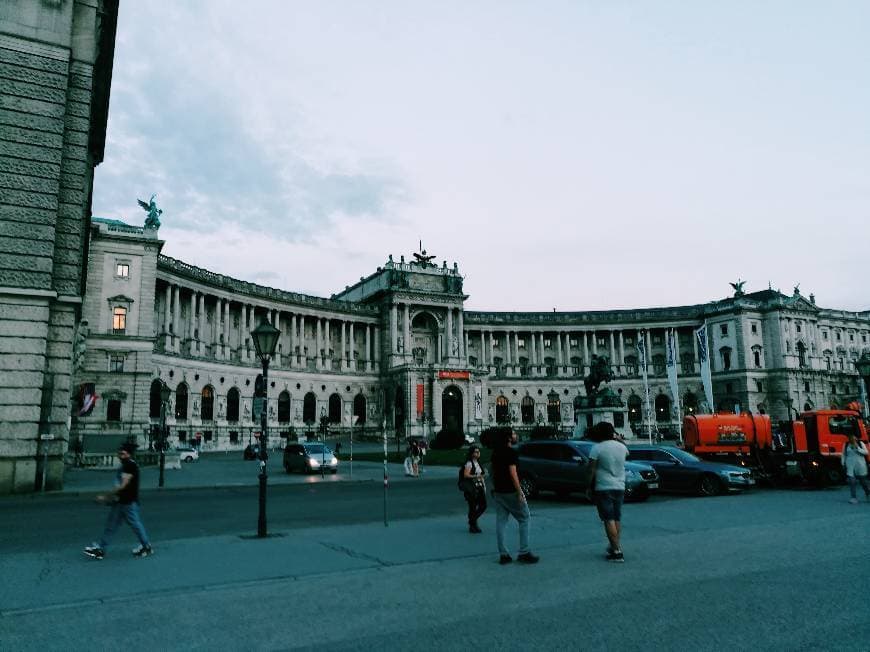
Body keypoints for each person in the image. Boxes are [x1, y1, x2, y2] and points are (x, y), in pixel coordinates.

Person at [84, 442, 153, 560]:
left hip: (128, 502)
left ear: (129, 454)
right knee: (111, 526)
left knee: (135, 524)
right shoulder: (125, 465)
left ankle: (146, 546)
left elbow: (122, 485)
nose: (119, 455)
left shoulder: (129, 466)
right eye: (119, 453)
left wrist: (105, 497)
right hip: (121, 501)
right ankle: (101, 549)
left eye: (122, 453)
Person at [490, 429, 539, 564]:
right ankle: (524, 551)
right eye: (513, 434)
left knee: (501, 522)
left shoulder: (496, 453)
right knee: (525, 518)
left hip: (499, 491)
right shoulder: (511, 453)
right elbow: (513, 473)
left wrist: (495, 487)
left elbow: (492, 472)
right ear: (508, 438)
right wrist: (520, 492)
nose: (515, 435)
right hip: (511, 490)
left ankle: (503, 554)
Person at [587, 421, 628, 562]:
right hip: (620, 486)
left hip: (603, 486)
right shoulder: (622, 448)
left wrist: (587, 485)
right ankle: (614, 545)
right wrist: (619, 440)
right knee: (616, 518)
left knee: (608, 519)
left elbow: (591, 470)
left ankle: (617, 551)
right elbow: (626, 453)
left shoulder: (597, 448)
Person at [462, 445, 487, 533]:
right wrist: (477, 476)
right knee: (472, 507)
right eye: (476, 452)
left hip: (479, 486)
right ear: (472, 453)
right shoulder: (469, 463)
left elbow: (482, 476)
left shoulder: (478, 463)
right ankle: (473, 526)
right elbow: (466, 475)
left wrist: (484, 486)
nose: (478, 453)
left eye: (478, 451)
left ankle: (472, 521)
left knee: (483, 505)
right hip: (472, 487)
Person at [842, 432, 869, 504]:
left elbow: (866, 452)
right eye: (851, 438)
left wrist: (858, 448)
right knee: (852, 482)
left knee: (863, 482)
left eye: (853, 438)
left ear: (856, 438)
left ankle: (868, 493)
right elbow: (844, 454)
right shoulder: (846, 445)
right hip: (850, 465)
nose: (852, 439)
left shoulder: (861, 444)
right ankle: (853, 497)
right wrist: (843, 462)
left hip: (860, 465)